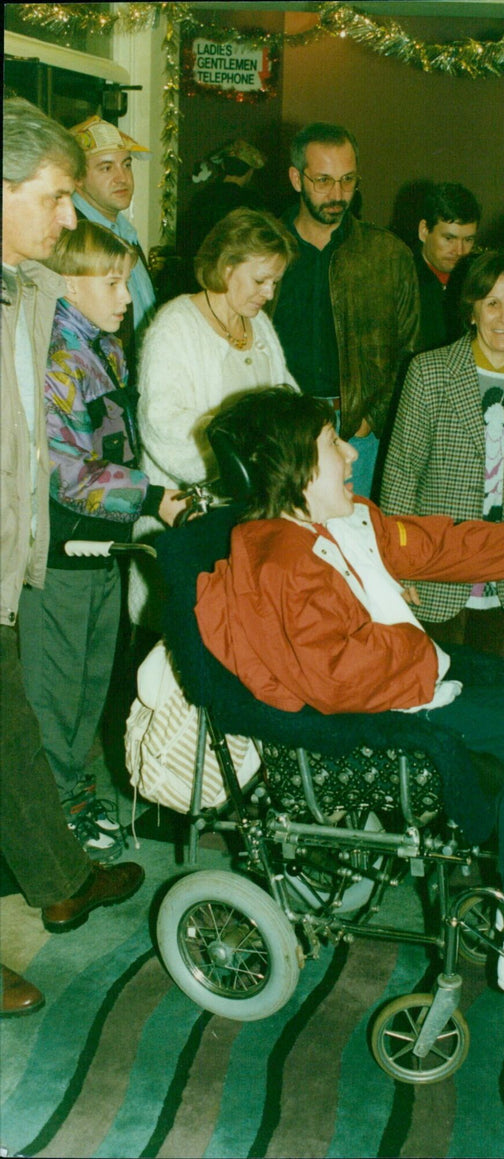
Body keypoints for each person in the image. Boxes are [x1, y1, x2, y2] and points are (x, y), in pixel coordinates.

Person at [193, 386, 504, 1007]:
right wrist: (426, 653)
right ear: (290, 470)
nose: (351, 453)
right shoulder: (281, 563)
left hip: (411, 680)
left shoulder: (347, 518)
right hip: (387, 712)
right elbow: (340, 677)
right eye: (331, 445)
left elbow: (437, 544)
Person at [1, 99, 144, 1016]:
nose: (69, 215)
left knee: (14, 732)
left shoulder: (28, 291)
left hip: (9, 561)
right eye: (56, 196)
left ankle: (55, 875)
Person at [17, 220, 188, 857]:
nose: (125, 295)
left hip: (104, 544)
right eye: (111, 282)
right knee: (53, 690)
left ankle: (74, 793)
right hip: (60, 550)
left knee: (91, 682)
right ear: (67, 283)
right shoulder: (57, 356)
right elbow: (66, 470)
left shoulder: (106, 346)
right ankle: (55, 810)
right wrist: (149, 497)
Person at [381, 250, 504, 660]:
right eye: (493, 304)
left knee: (488, 687)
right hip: (434, 569)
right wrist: (396, 564)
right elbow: (400, 475)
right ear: (472, 311)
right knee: (430, 684)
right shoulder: (429, 373)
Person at [130, 207, 298, 630]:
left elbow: (287, 403)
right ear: (226, 267)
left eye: (275, 282)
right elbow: (162, 426)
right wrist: (242, 465)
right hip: (189, 517)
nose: (269, 293)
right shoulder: (175, 326)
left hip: (253, 512)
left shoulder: (259, 328)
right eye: (261, 280)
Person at [272, 122, 420, 498]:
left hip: (354, 428)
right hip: (279, 424)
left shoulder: (388, 255)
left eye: (348, 179)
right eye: (323, 180)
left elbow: (409, 351)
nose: (337, 194)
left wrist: (369, 420)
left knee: (350, 541)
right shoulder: (263, 247)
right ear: (295, 178)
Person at [69, 116, 157, 371]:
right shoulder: (76, 236)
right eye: (106, 168)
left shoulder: (124, 232)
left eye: (126, 165)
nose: (122, 178)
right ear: (77, 178)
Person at [182, 139, 267, 285]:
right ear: (250, 171)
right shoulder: (253, 202)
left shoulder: (201, 197)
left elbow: (187, 240)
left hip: (198, 275)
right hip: (235, 278)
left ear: (223, 165)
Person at [414, 181, 481, 351]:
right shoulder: (402, 280)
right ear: (424, 231)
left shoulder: (478, 281)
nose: (459, 251)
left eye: (468, 240)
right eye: (449, 238)